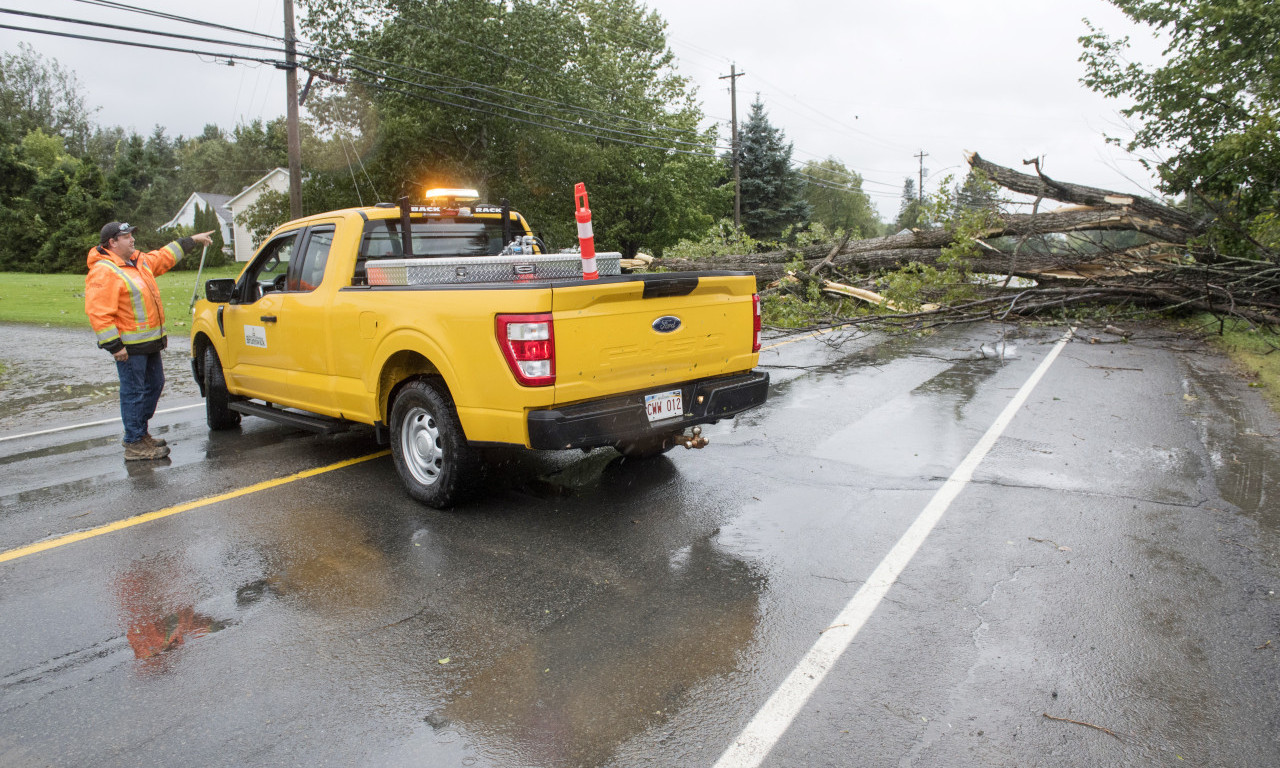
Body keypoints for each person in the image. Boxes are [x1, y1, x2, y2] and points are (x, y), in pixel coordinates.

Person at [85, 222, 214, 461]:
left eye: (131, 235)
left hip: (149, 343)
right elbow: (98, 312)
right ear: (112, 242)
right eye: (126, 236)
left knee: (154, 385)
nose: (132, 239)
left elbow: (164, 256)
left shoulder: (137, 261)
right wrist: (115, 346)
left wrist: (192, 240)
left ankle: (140, 433)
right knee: (134, 392)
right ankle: (134, 442)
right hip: (129, 348)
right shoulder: (104, 270)